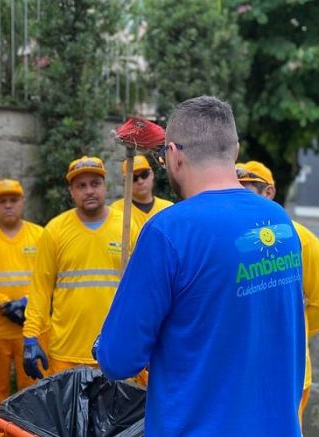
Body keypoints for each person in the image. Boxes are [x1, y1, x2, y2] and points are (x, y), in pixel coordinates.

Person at [95, 96, 306, 436]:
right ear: (234, 149)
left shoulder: (170, 231)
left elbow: (119, 360)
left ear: (174, 154)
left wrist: (102, 345)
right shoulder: (277, 220)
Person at [236, 160, 319, 421]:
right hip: (240, 368)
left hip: (287, 370)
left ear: (268, 192)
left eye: (244, 188)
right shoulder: (231, 238)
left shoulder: (302, 239)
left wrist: (294, 330)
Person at [22, 156, 136, 380]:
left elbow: (142, 289)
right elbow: (40, 290)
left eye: (95, 183)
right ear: (71, 192)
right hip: (66, 352)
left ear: (105, 186)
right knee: (69, 416)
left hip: (114, 348)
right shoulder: (54, 231)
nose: (89, 191)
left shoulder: (127, 227)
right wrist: (30, 336)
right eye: (81, 186)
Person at [0, 179, 46, 437]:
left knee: (34, 395)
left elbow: (45, 276)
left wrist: (25, 303)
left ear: (22, 202)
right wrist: (2, 305)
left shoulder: (40, 235)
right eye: (2, 201)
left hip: (31, 330)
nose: (9, 206)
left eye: (13, 200)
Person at [111, 154, 173, 233]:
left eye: (144, 175)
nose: (140, 181)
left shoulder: (168, 208)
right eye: (134, 178)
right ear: (125, 181)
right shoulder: (116, 210)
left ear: (151, 174)